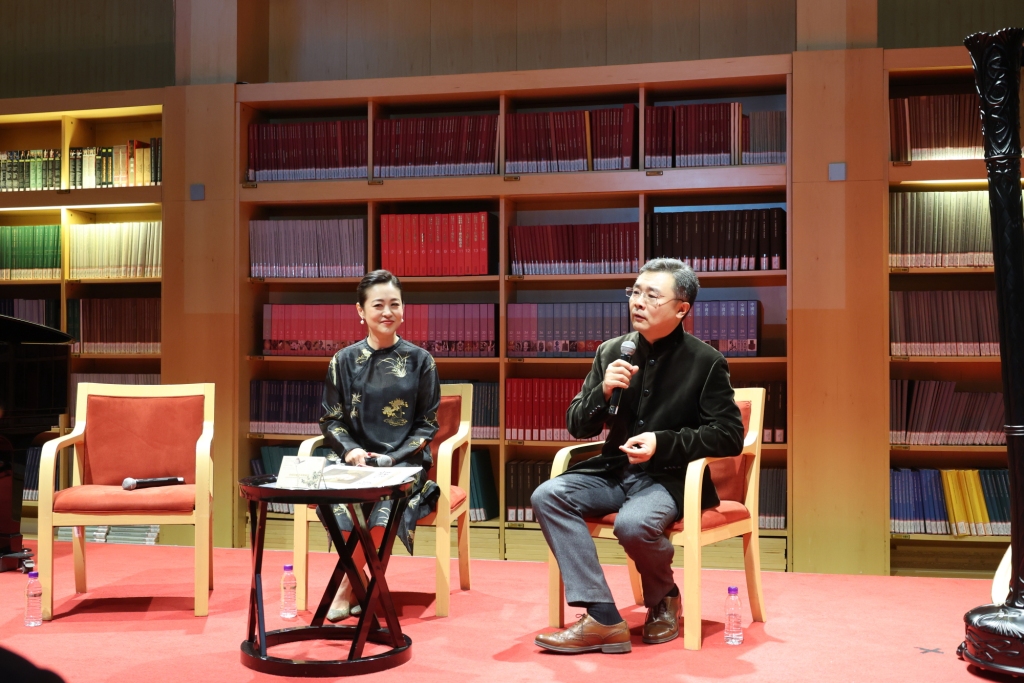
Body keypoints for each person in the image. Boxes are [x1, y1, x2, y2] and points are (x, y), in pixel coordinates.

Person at [532, 257, 745, 654]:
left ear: (681, 309)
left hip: (668, 477)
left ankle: (664, 596)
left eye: (652, 295)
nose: (638, 302)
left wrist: (662, 442)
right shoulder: (612, 351)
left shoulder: (706, 362)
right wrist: (603, 392)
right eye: (635, 292)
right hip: (613, 471)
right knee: (548, 495)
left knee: (633, 525)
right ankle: (602, 617)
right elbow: (578, 426)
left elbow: (729, 435)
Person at [318, 269, 441, 622]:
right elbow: (331, 419)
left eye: (394, 304)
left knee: (386, 503)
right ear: (361, 310)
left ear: (403, 309)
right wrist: (352, 451)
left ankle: (346, 586)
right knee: (339, 503)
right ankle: (362, 585)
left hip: (405, 463)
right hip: (353, 462)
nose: (387, 312)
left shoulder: (421, 361)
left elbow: (427, 424)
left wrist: (392, 459)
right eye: (378, 305)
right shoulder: (343, 361)